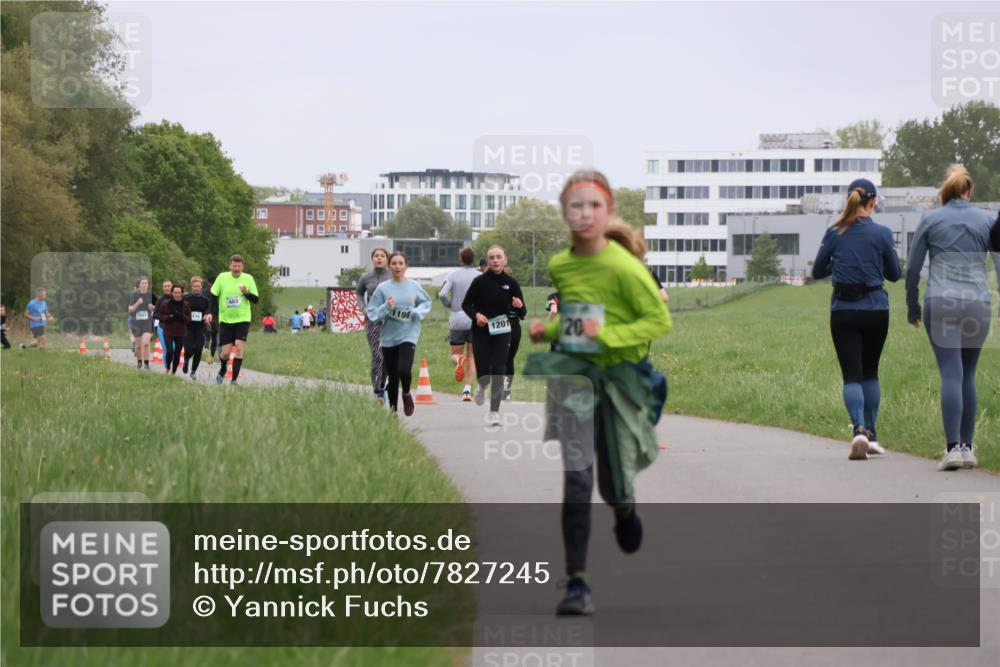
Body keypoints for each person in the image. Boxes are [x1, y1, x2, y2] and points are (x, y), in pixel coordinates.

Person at [527, 170, 671, 616]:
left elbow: (658, 322)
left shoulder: (626, 268)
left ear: (607, 211)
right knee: (577, 478)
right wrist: (546, 328)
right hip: (575, 380)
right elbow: (574, 321)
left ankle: (625, 508)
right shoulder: (561, 266)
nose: (584, 213)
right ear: (564, 213)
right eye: (575, 205)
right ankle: (577, 583)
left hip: (621, 381)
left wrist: (606, 334)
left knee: (611, 483)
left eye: (593, 205)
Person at [905, 165, 1000, 471]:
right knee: (968, 374)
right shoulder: (987, 220)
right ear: (969, 191)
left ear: (945, 192)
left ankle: (951, 449)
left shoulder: (930, 219)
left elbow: (912, 268)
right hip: (977, 304)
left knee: (951, 373)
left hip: (941, 302)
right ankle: (968, 448)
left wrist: (912, 306)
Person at [811, 178, 900, 460]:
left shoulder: (835, 232)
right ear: (872, 201)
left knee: (852, 374)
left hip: (844, 311)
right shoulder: (883, 233)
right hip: (876, 309)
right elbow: (894, 274)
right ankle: (872, 435)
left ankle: (858, 430)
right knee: (870, 372)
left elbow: (817, 271)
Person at [462, 245, 526, 425]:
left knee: (499, 369)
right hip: (482, 329)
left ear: (505, 260)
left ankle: (494, 412)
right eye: (492, 258)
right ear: (487, 261)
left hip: (502, 330)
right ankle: (482, 387)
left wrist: (519, 305)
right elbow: (466, 304)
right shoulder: (479, 282)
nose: (495, 260)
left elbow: (522, 313)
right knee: (484, 371)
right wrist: (476, 315)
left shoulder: (511, 283)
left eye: (499, 257)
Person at [366, 252, 431, 415]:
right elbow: (373, 313)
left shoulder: (414, 286)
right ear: (389, 266)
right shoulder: (383, 288)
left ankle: (407, 393)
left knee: (404, 370)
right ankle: (393, 412)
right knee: (393, 376)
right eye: (394, 263)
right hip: (388, 337)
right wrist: (386, 307)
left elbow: (426, 302)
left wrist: (416, 311)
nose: (397, 267)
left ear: (406, 266)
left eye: (401, 263)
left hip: (409, 333)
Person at [211, 254, 259, 386]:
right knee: (225, 353)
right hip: (226, 320)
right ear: (230, 266)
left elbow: (255, 300)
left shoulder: (248, 279)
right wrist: (211, 313)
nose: (236, 268)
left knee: (238, 347)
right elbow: (213, 295)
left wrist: (246, 293)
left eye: (239, 266)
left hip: (242, 319)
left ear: (242, 267)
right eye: (234, 265)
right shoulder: (222, 277)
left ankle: (234, 380)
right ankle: (223, 369)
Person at [439, 247, 479, 401]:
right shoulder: (480, 276)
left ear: (460, 260)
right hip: (474, 318)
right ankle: (467, 390)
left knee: (455, 354)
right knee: (472, 357)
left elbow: (442, 293)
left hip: (457, 317)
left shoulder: (452, 275)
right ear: (473, 259)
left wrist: (449, 304)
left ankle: (458, 360)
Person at [357, 247, 392, 403]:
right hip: (372, 319)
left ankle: (381, 387)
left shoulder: (392, 276)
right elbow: (359, 293)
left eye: (382, 256)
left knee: (386, 357)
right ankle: (377, 390)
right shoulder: (366, 277)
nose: (379, 258)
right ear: (372, 259)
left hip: (390, 320)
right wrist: (363, 308)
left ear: (387, 259)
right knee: (378, 355)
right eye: (376, 256)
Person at [503, 266, 525, 400]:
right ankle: (506, 390)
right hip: (513, 325)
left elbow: (523, 314)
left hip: (509, 324)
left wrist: (520, 306)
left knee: (505, 358)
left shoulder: (516, 293)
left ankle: (505, 389)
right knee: (507, 359)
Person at [182, 277, 212, 379]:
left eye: (198, 286)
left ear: (201, 287)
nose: (196, 288)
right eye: (194, 286)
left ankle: (193, 371)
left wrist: (206, 316)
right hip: (188, 327)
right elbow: (182, 310)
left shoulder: (205, 300)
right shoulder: (187, 298)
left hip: (200, 328)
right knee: (188, 348)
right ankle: (186, 360)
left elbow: (208, 311)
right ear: (192, 287)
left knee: (198, 350)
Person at [158, 284, 190, 375]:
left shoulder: (186, 304)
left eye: (179, 293)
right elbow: (160, 316)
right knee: (170, 350)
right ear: (172, 293)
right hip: (168, 330)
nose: (177, 294)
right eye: (175, 292)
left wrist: (182, 316)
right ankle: (167, 368)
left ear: (182, 294)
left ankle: (173, 371)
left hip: (181, 332)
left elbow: (189, 320)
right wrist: (169, 317)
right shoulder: (165, 303)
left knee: (177, 353)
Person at [127, 276, 156, 369]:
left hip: (147, 322)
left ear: (148, 285)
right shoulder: (134, 296)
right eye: (142, 283)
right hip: (136, 323)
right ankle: (139, 363)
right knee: (139, 346)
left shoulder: (152, 296)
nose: (144, 285)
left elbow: (158, 309)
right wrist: (137, 304)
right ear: (139, 285)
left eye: (146, 283)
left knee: (146, 343)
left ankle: (147, 364)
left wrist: (153, 308)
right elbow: (130, 310)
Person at [153, 280, 173, 369]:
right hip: (162, 327)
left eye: (169, 286)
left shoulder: (176, 298)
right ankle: (167, 369)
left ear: (172, 287)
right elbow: (154, 315)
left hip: (175, 328)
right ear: (163, 288)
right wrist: (165, 317)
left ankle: (171, 367)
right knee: (166, 349)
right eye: (165, 286)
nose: (167, 288)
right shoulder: (160, 300)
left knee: (174, 349)